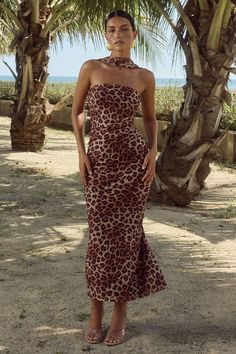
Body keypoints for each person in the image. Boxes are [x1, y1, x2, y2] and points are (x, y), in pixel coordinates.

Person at [71, 9, 167, 347]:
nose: (117, 35)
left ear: (134, 35)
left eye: (124, 29)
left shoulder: (145, 76)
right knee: (98, 239)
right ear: (105, 34)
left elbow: (152, 120)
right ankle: (95, 311)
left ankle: (120, 311)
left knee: (126, 237)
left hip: (132, 165)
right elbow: (77, 110)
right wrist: (82, 153)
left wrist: (152, 153)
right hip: (98, 164)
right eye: (111, 29)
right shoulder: (91, 68)